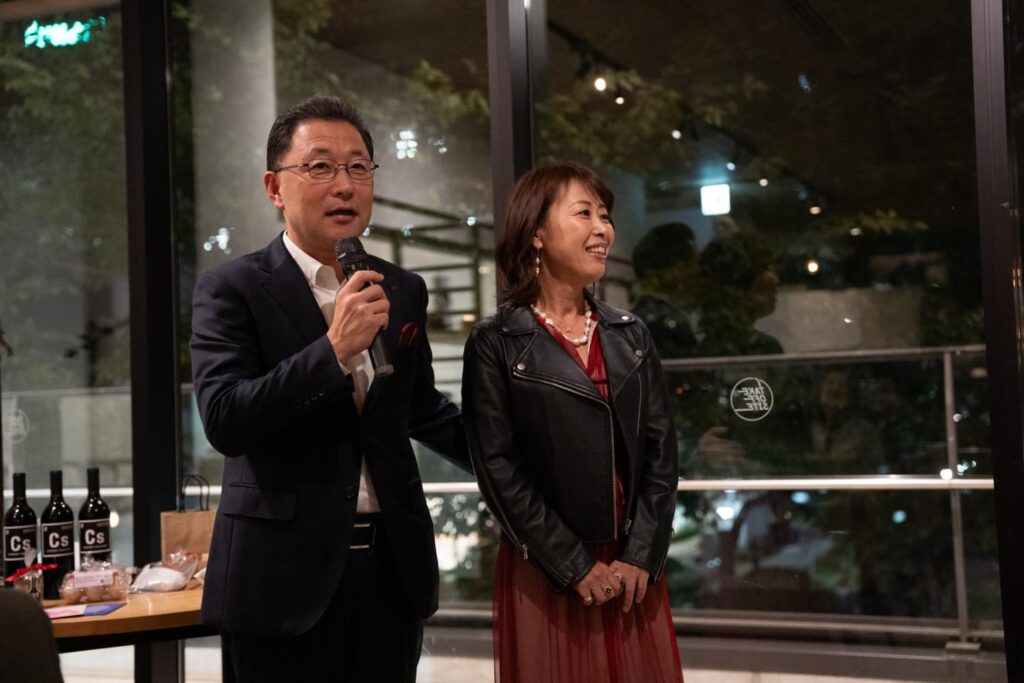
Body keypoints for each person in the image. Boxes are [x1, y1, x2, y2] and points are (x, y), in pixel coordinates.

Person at [190, 94, 469, 682]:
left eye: (358, 167)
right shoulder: (232, 288)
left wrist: (518, 459)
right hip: (279, 583)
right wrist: (333, 351)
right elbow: (226, 419)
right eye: (320, 166)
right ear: (274, 187)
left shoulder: (402, 288)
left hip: (391, 571)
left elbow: (421, 409)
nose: (344, 185)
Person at [463, 162, 683, 682]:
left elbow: (661, 455)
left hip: (630, 567)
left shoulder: (631, 334)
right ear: (536, 232)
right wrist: (572, 564)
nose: (602, 229)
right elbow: (497, 468)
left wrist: (640, 555)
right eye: (584, 213)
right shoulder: (496, 343)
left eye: (605, 216)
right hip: (549, 566)